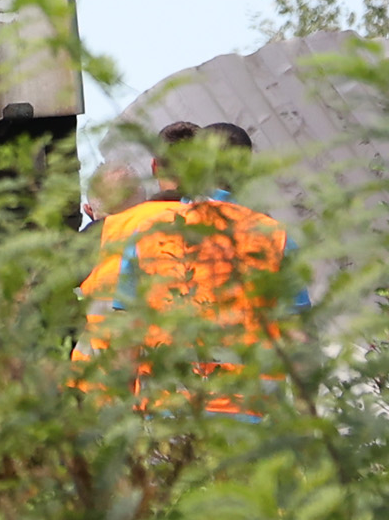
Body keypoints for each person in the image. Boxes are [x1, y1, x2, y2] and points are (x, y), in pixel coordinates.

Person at [74, 120, 295, 412]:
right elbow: (297, 334)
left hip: (153, 407)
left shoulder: (136, 232)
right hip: (250, 413)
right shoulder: (267, 232)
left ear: (154, 167)